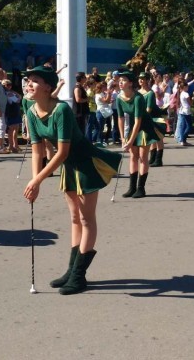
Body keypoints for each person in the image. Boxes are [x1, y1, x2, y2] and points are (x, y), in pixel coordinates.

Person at [22, 65, 121, 295]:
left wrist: (37, 181)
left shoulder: (62, 111)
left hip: (85, 163)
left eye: (35, 80)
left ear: (47, 87)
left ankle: (79, 275)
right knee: (75, 217)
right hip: (68, 167)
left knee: (86, 219)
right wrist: (34, 182)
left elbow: (62, 152)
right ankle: (71, 269)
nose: (29, 84)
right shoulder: (31, 111)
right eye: (28, 80)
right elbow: (37, 151)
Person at [116, 71, 163, 198]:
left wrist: (131, 141)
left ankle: (141, 188)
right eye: (120, 80)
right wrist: (123, 138)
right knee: (133, 156)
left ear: (130, 83)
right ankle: (131, 188)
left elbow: (138, 121)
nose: (120, 82)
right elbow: (120, 118)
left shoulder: (138, 98)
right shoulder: (119, 98)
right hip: (133, 127)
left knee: (142, 157)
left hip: (144, 128)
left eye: (124, 80)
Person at [138, 72, 166, 167]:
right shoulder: (138, 92)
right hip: (146, 117)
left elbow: (149, 109)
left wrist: (140, 117)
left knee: (158, 138)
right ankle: (152, 158)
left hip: (154, 117)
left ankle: (158, 159)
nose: (141, 80)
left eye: (143, 78)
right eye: (140, 78)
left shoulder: (150, 93)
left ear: (147, 80)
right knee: (151, 138)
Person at [3, 79, 22, 153]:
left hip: (15, 112)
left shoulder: (11, 92)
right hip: (10, 113)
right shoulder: (6, 93)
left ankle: (15, 145)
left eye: (9, 84)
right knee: (10, 130)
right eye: (6, 85)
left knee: (16, 129)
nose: (8, 86)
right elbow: (17, 100)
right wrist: (14, 94)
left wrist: (14, 92)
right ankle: (11, 146)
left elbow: (20, 97)